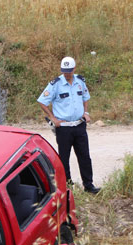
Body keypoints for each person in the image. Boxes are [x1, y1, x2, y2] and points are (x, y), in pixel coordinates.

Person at [37, 56, 100, 194]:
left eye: (69, 71)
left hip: (79, 125)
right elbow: (42, 101)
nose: (67, 74)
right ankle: (67, 186)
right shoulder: (56, 84)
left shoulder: (80, 81)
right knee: (64, 158)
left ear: (74, 69)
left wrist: (86, 112)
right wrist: (52, 118)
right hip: (64, 128)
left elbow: (85, 97)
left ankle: (88, 185)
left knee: (84, 156)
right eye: (65, 71)